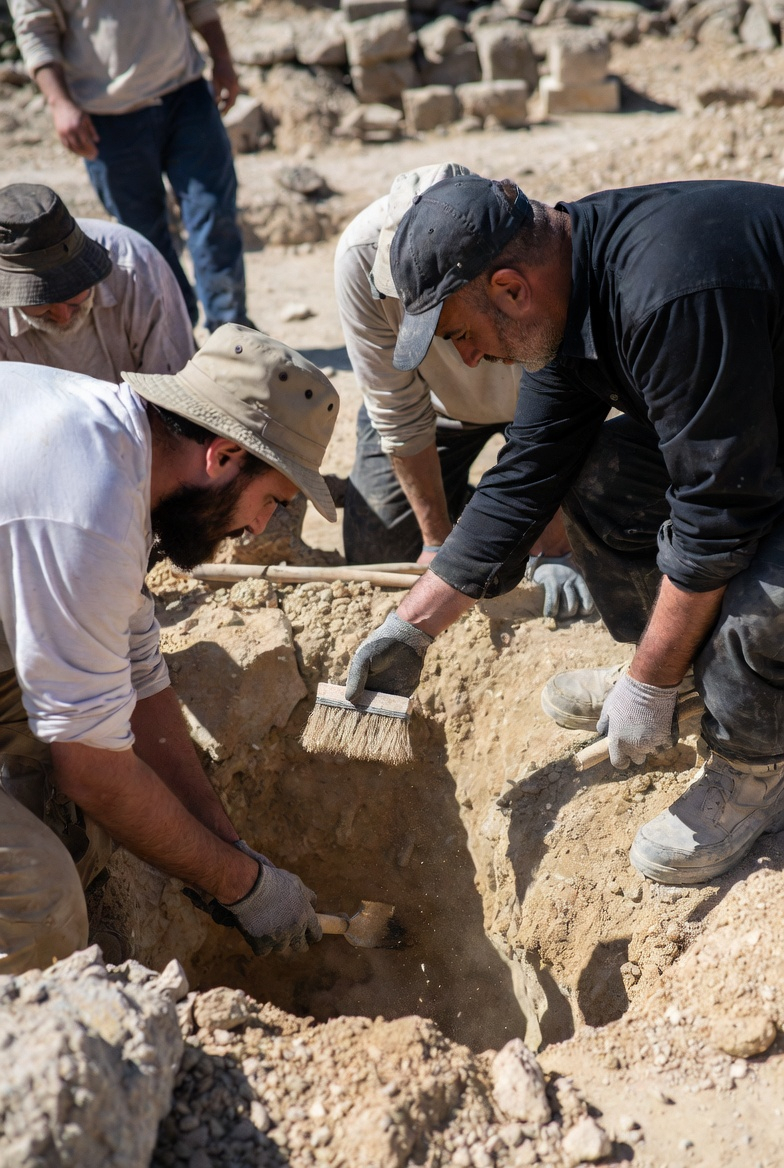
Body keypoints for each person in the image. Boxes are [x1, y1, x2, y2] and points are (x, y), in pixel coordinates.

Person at [344, 174, 784, 888]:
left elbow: (718, 521)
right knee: (597, 470)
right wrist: (413, 625)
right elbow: (529, 472)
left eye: (461, 333)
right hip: (763, 431)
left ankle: (757, 766)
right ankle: (697, 681)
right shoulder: (569, 291)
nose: (472, 359)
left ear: (510, 289)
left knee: (765, 591)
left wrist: (646, 683)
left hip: (758, 452)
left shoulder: (670, 293)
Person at [0, 324, 339, 973]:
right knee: (36, 900)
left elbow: (141, 677)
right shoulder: (89, 506)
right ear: (222, 457)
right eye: (272, 500)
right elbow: (93, 771)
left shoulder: (120, 459)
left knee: (70, 807)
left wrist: (227, 843)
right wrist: (240, 885)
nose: (261, 527)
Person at [335, 163, 592, 621]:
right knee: (381, 545)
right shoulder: (359, 260)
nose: (464, 354)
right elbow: (397, 412)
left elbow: (560, 419)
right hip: (434, 410)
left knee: (617, 528)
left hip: (535, 408)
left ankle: (494, 511)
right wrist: (436, 544)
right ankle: (477, 511)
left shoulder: (515, 245)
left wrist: (555, 546)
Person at [10, 0, 252, 332]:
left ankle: (231, 335)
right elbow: (36, 29)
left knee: (215, 216)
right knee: (145, 241)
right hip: (106, 115)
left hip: (186, 94)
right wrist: (59, 101)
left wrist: (222, 59)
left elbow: (198, 4)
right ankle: (178, 337)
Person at [0, 183, 195, 380]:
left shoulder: (135, 266)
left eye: (72, 296)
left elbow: (173, 386)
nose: (63, 315)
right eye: (41, 304)